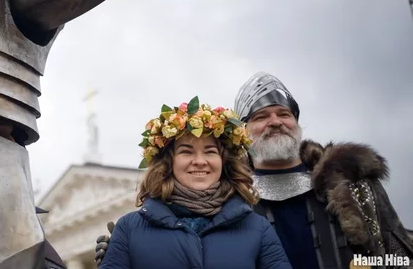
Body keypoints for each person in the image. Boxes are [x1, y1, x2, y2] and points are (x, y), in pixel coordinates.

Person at [96, 72, 413, 269]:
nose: (275, 121)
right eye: (261, 116)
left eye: (283, 114)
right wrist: (128, 251)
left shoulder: (350, 181)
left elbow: (397, 253)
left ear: (296, 122)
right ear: (244, 131)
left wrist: (369, 264)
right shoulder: (222, 195)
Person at [98, 96, 292, 269]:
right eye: (186, 151)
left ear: (223, 162)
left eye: (210, 151)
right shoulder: (130, 228)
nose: (200, 161)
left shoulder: (257, 228)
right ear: (169, 162)